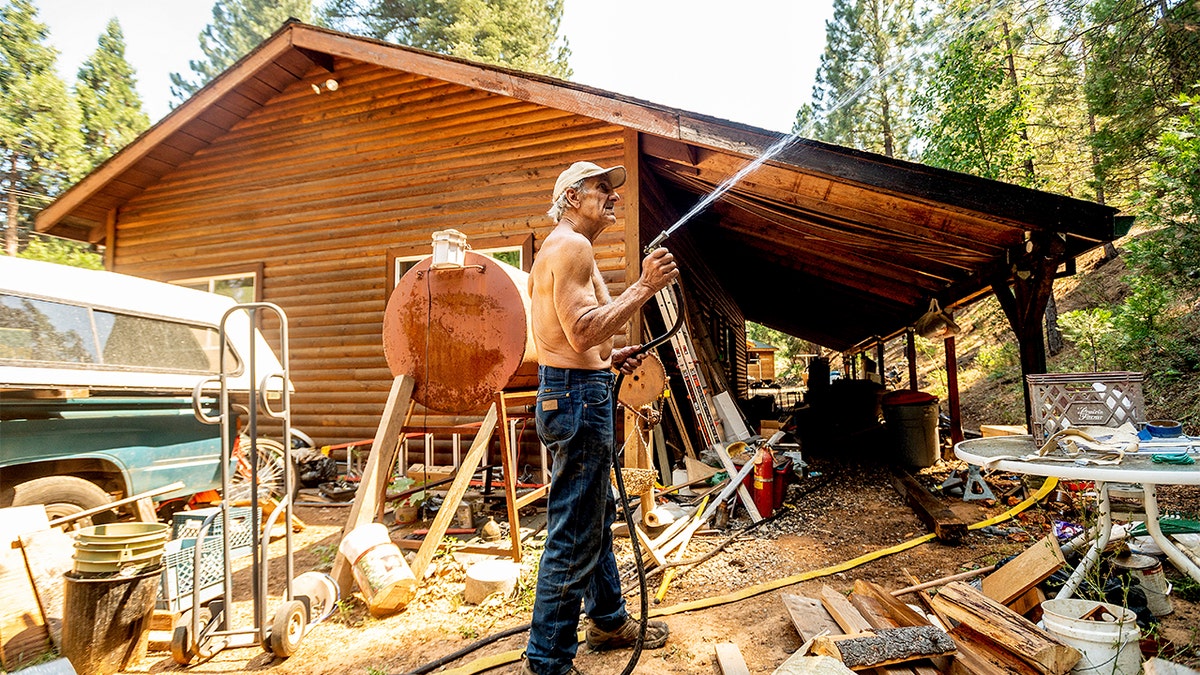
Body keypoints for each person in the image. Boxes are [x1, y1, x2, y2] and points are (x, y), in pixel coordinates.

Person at [522, 161, 679, 675]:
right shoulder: (573, 246)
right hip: (576, 399)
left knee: (593, 512)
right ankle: (547, 661)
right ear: (571, 196)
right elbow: (584, 330)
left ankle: (608, 620)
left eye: (613, 190)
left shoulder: (559, 248)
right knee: (573, 529)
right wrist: (644, 286)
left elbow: (573, 340)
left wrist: (613, 356)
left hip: (570, 391)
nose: (612, 197)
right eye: (601, 189)